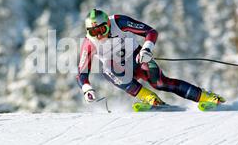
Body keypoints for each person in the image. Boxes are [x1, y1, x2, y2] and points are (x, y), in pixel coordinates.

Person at [76, 9, 225, 107]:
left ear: (108, 24)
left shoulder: (119, 22)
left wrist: (146, 49)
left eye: (102, 29)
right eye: (94, 32)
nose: (99, 35)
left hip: (137, 59)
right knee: (109, 68)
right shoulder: (89, 44)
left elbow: (150, 32)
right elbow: (81, 74)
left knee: (161, 83)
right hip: (119, 71)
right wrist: (86, 89)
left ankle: (204, 96)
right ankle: (148, 97)